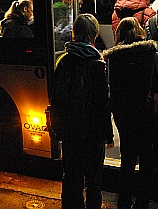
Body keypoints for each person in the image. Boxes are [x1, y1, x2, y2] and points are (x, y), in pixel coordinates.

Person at [103, 17, 158, 209]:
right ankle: (142, 201)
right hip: (147, 113)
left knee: (127, 157)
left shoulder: (113, 58)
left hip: (125, 115)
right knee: (147, 158)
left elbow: (112, 91)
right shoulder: (151, 54)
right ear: (139, 31)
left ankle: (124, 200)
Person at [52, 13, 113, 209]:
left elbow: (55, 97)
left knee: (71, 178)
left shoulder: (64, 61)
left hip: (71, 131)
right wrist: (108, 133)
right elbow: (103, 104)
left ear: (74, 33)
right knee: (94, 182)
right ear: (94, 35)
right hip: (94, 133)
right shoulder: (98, 64)